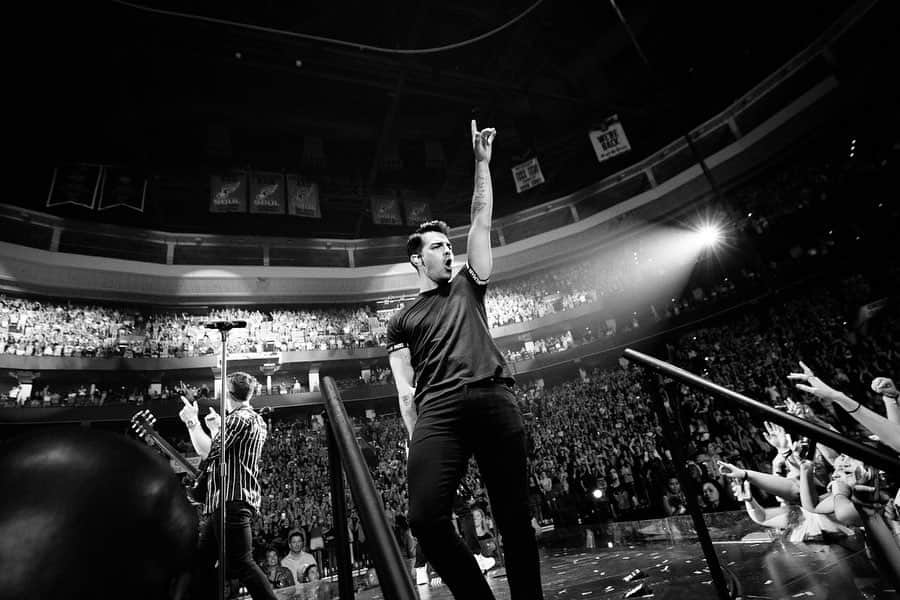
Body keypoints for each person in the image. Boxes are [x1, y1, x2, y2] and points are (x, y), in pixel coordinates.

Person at [386, 120, 543, 599]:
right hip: (439, 411)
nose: (448, 251)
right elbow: (404, 389)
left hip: (494, 398)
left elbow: (480, 219)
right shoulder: (400, 319)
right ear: (417, 260)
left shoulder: (469, 283)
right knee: (425, 519)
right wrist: (416, 438)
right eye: (437, 247)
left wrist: (481, 164)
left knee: (514, 518)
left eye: (449, 245)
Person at [178, 371, 278, 600]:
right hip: (224, 502)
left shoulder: (239, 418)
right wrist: (216, 429)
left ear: (227, 394)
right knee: (201, 564)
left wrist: (192, 421)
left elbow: (208, 452)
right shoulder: (256, 420)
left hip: (229, 501)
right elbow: (229, 454)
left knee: (242, 562)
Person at [281, 531, 317, 595]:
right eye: (294, 542)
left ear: (302, 543)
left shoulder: (310, 558)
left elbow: (317, 577)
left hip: (310, 594)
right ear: (289, 545)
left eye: (299, 541)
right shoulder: (284, 563)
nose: (297, 544)